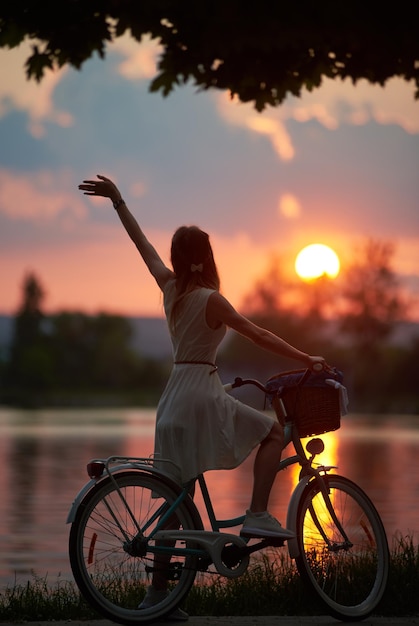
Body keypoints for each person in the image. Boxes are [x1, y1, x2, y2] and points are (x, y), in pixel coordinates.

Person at [78, 175, 327, 617]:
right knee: (273, 432)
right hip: (198, 399)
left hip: (174, 399)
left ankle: (158, 596)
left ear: (178, 260)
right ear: (204, 260)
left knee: (176, 507)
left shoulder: (170, 290)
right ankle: (256, 514)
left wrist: (119, 202)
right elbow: (258, 333)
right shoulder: (212, 300)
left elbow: (143, 248)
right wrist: (305, 357)